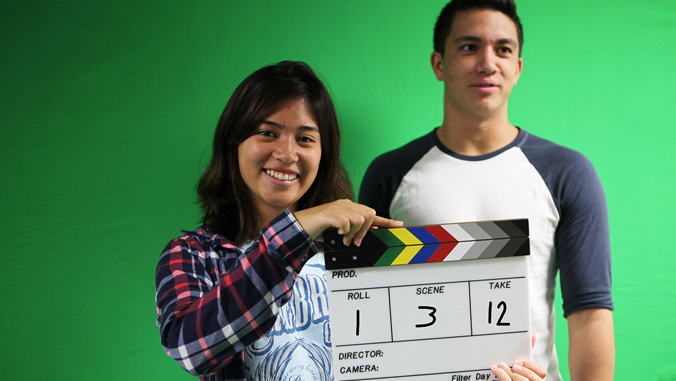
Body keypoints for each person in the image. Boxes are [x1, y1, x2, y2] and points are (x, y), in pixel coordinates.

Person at [358, 1, 615, 381]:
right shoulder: (389, 173)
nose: (487, 62)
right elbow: (368, 307)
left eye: (503, 49)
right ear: (438, 64)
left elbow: (590, 312)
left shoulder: (567, 172)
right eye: (468, 46)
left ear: (518, 68)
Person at [154, 61, 403, 381]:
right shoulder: (193, 255)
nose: (287, 153)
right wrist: (294, 230)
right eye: (267, 133)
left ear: (324, 154)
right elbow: (190, 350)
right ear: (235, 145)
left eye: (305, 139)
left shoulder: (360, 249)